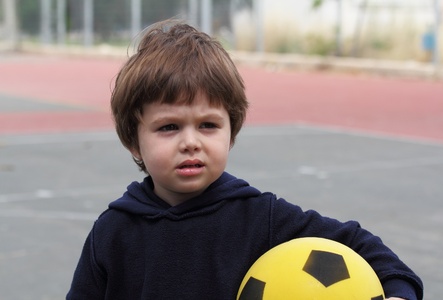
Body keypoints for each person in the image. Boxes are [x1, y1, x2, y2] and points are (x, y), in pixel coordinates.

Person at [67, 20, 423, 300]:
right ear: (133, 141)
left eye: (208, 125)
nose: (190, 142)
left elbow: (364, 246)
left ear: (231, 133)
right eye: (169, 127)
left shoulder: (261, 218)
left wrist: (399, 293)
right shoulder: (113, 231)